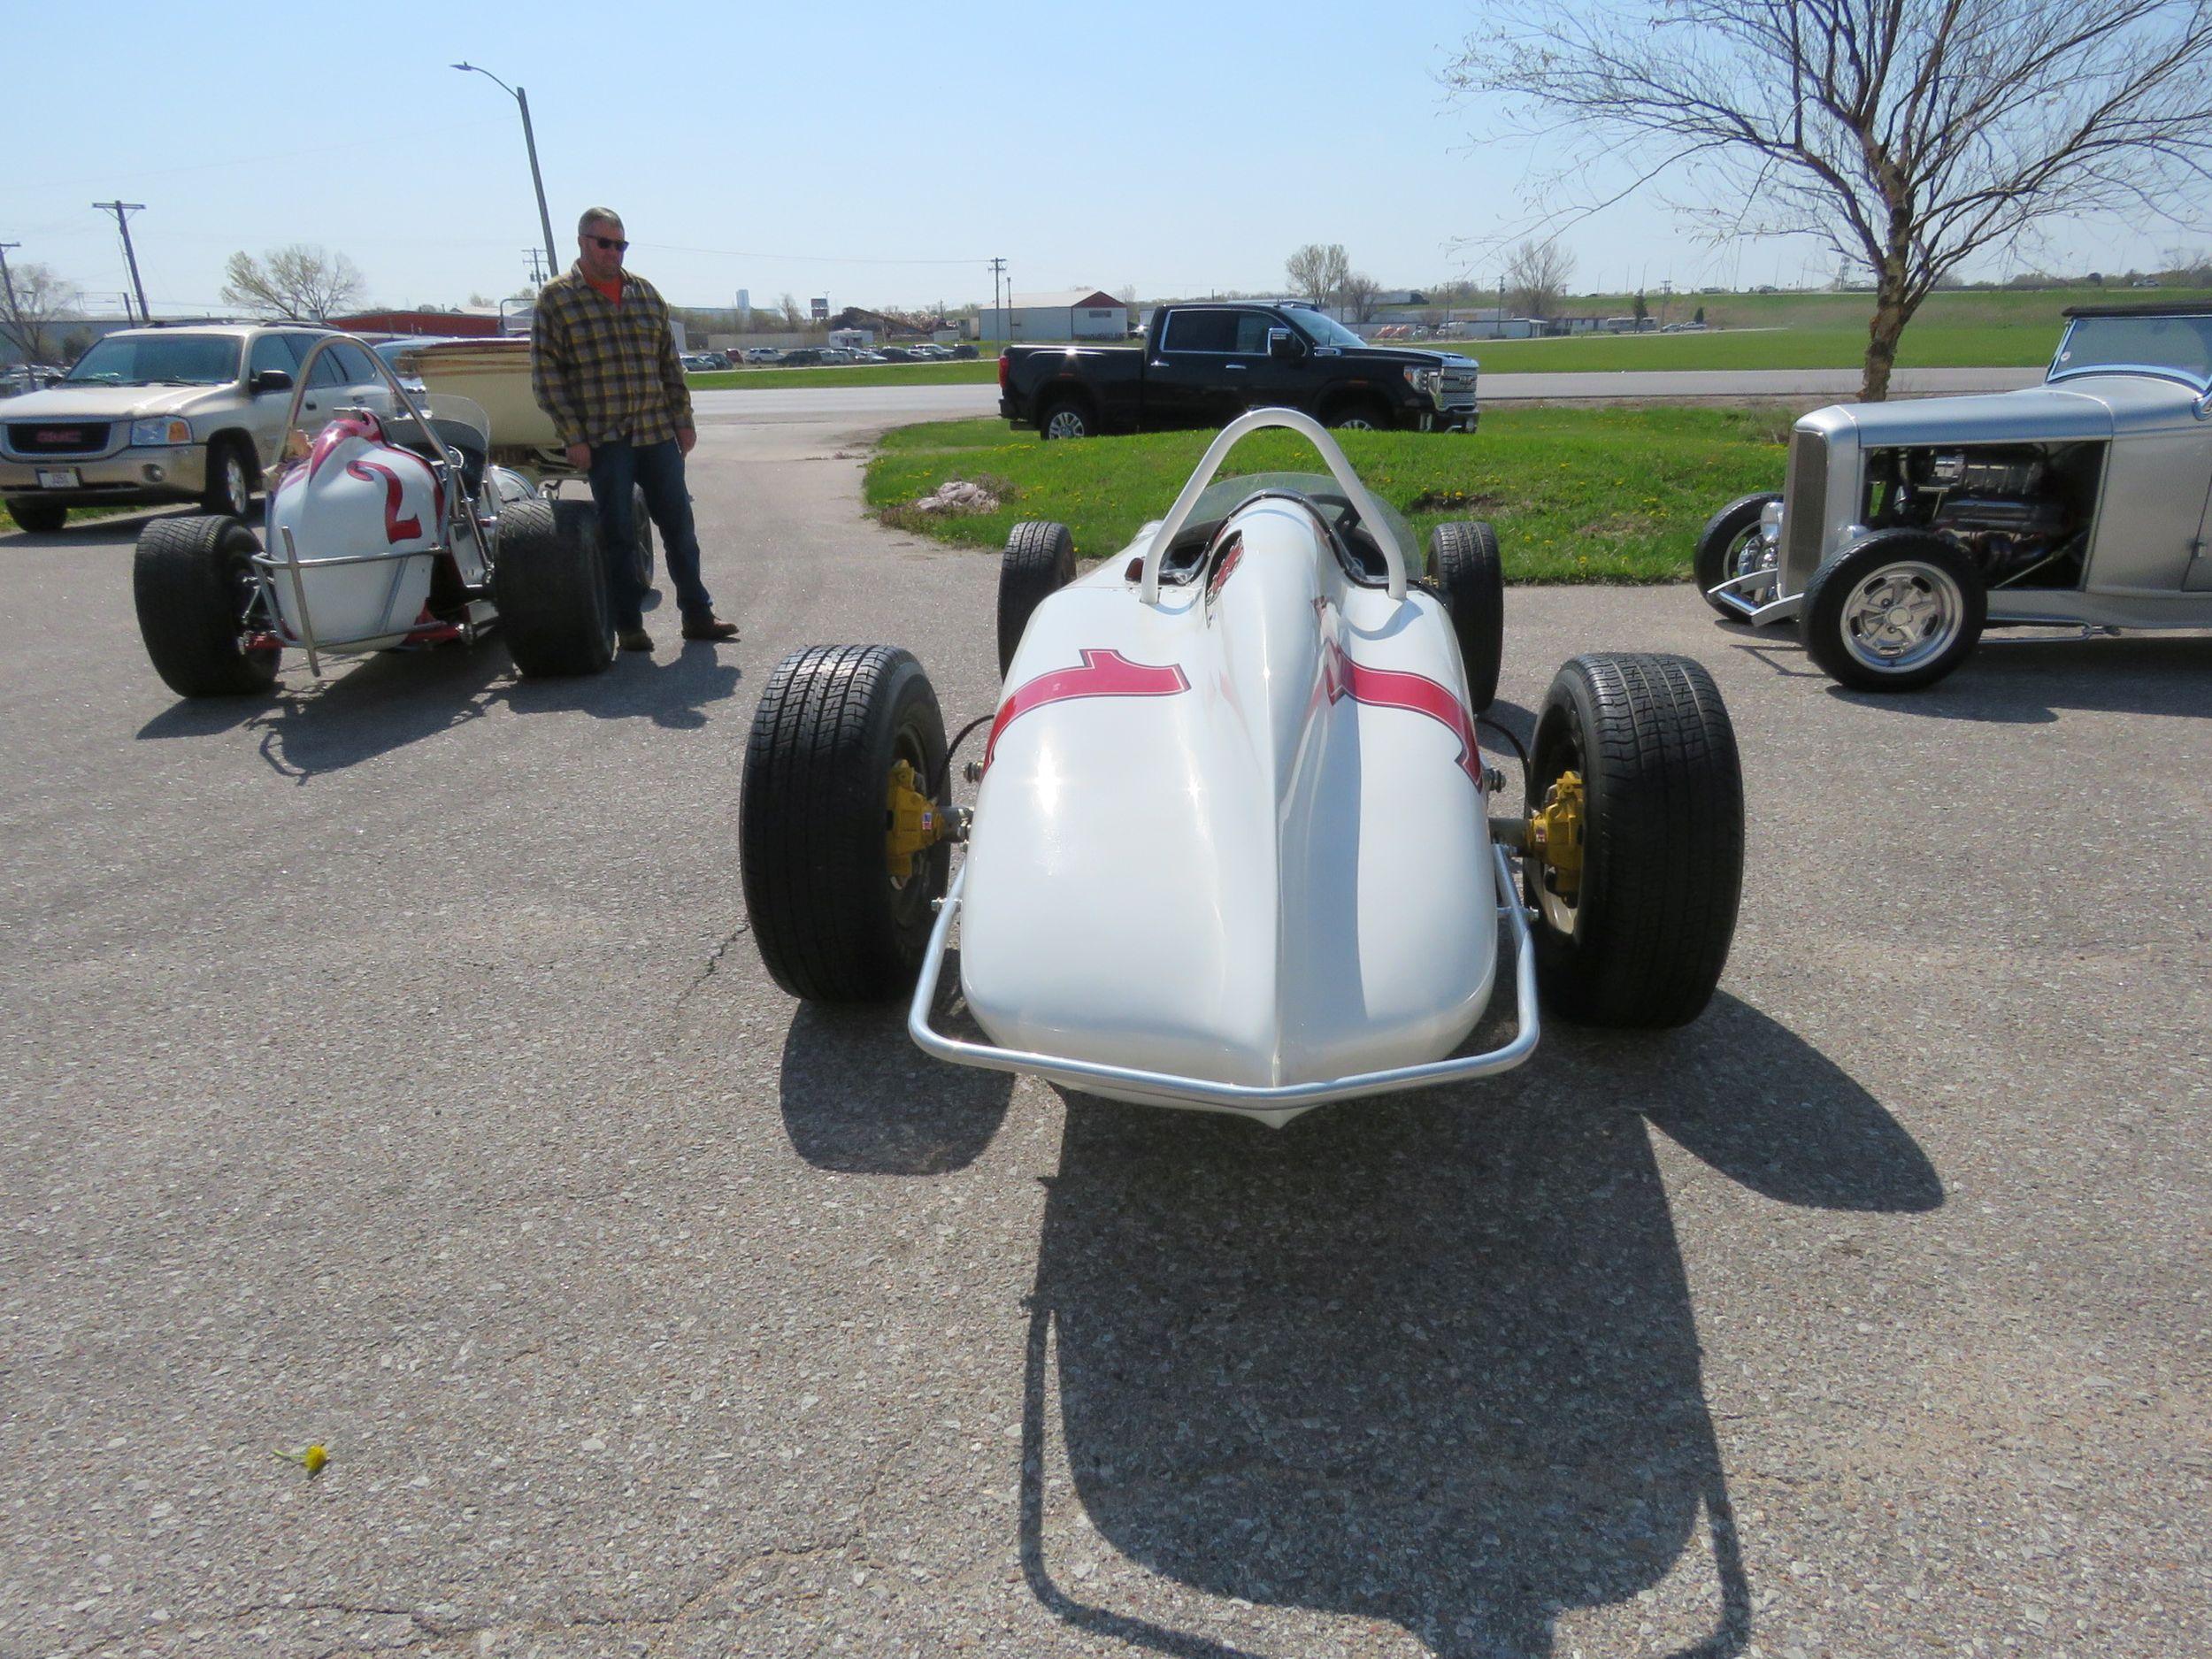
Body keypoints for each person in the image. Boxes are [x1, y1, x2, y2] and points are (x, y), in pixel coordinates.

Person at [530, 206, 738, 649]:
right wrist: (573, 436)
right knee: (620, 533)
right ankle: (629, 626)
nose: (613, 252)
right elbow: (548, 376)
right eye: (605, 243)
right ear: (583, 242)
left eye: (620, 244)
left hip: (656, 431)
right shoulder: (558, 298)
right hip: (605, 439)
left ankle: (697, 615)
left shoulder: (644, 294)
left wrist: (683, 421)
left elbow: (669, 364)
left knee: (680, 528)